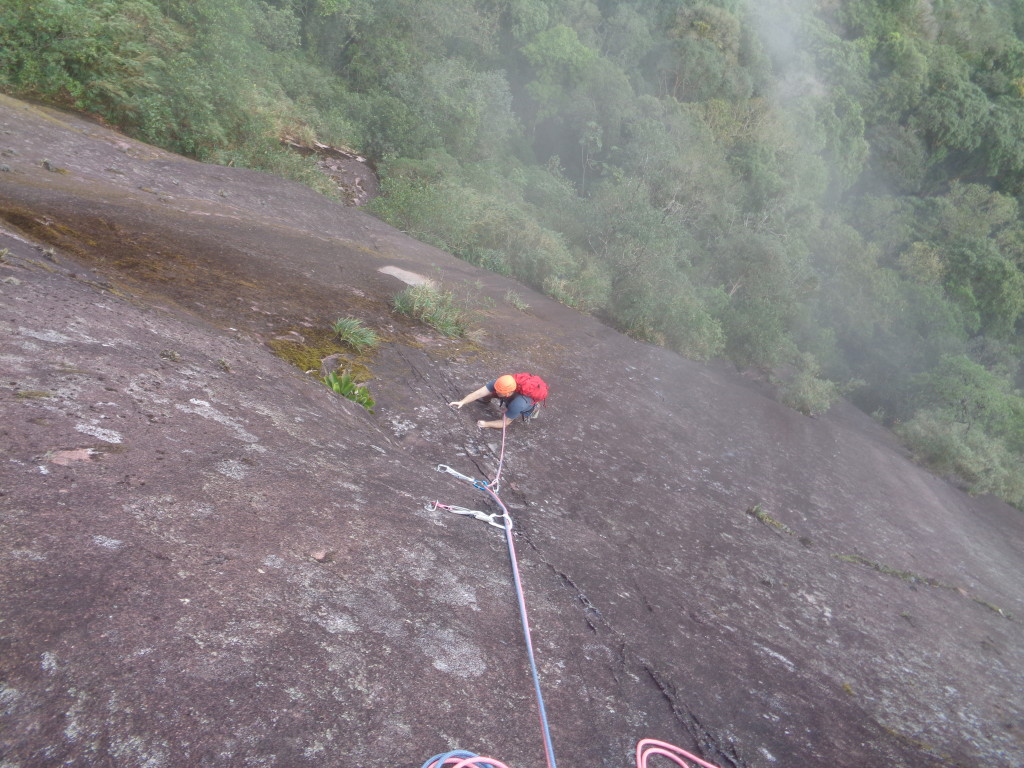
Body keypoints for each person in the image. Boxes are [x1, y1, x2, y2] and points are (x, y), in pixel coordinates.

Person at [449, 374, 540, 429]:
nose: (496, 391)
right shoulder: (500, 383)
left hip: (526, 404)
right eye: (496, 389)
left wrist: (486, 424)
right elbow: (479, 392)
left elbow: (505, 423)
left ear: (508, 393)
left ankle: (534, 409)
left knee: (516, 410)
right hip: (510, 396)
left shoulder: (518, 404)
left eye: (499, 391)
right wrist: (462, 402)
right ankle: (487, 400)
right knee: (490, 392)